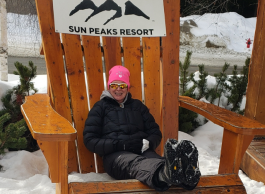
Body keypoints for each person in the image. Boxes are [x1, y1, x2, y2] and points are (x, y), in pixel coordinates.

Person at [83, 65, 201, 191]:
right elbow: (89, 140)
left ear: (127, 87)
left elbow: (155, 132)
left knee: (158, 161)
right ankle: (166, 174)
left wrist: (148, 142)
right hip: (116, 157)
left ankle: (186, 177)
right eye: (114, 85)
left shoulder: (138, 106)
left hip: (142, 150)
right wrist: (118, 144)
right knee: (136, 163)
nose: (118, 89)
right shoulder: (100, 108)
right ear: (109, 86)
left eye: (122, 85)